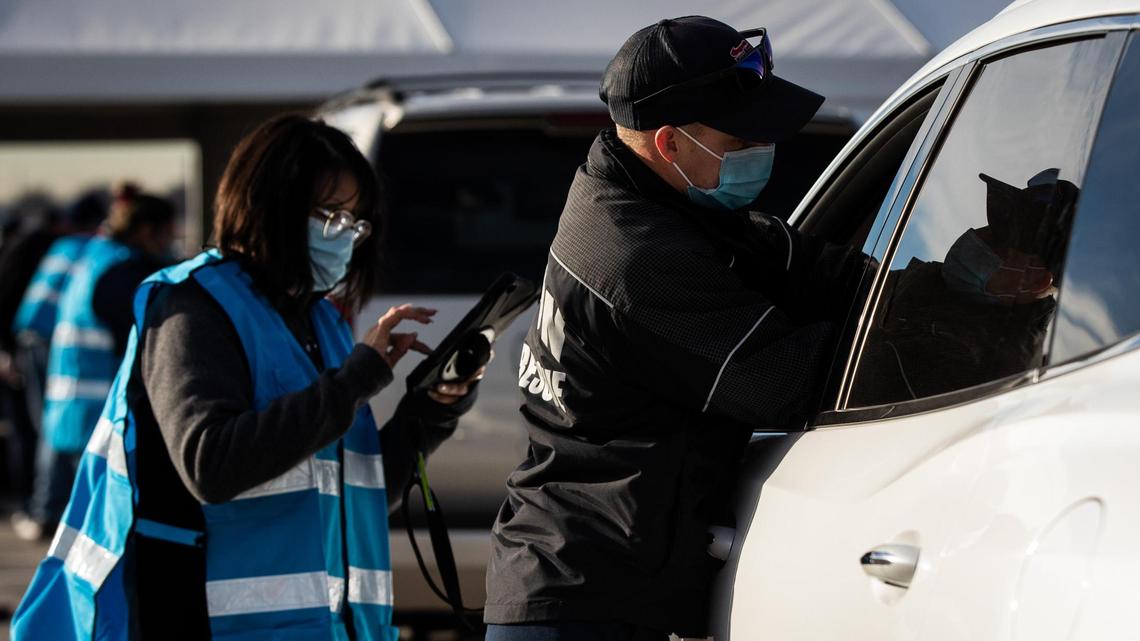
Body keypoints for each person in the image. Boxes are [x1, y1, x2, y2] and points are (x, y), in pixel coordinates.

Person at [12, 114, 483, 641]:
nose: (345, 237)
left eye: (355, 222)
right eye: (329, 216)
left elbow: (357, 486)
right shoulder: (193, 306)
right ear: (270, 206)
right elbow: (210, 464)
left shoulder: (318, 319)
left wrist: (432, 409)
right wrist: (353, 382)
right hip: (206, 623)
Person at [485, 16, 863, 641]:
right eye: (742, 138)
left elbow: (810, 268)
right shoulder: (635, 255)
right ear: (670, 144)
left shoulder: (664, 205)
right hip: (586, 604)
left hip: (592, 584)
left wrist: (961, 279)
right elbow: (795, 379)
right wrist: (955, 339)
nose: (761, 150)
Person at [14, 186, 175, 542]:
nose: (170, 241)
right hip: (100, 402)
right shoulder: (123, 270)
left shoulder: (96, 256)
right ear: (147, 230)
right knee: (100, 524)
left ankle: (44, 512)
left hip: (75, 394)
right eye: (167, 232)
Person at [7, 191, 107, 538]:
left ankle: (44, 507)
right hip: (56, 345)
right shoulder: (90, 250)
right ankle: (49, 508)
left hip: (33, 340)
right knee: (56, 427)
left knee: (47, 425)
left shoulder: (60, 248)